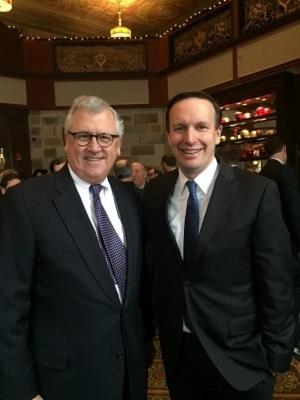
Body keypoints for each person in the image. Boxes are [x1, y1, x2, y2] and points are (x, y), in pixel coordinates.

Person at [143, 91, 295, 400]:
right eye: (180, 128)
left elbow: (276, 278)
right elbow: (157, 268)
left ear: (217, 132)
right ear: (169, 135)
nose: (190, 137)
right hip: (179, 356)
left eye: (201, 126)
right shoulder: (156, 191)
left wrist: (277, 351)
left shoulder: (257, 192)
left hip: (242, 357)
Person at [0, 95, 150, 400]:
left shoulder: (131, 199)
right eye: (83, 136)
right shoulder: (27, 202)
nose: (95, 146)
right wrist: (21, 390)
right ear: (65, 141)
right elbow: (7, 304)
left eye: (105, 137)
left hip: (129, 375)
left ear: (118, 145)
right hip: (61, 383)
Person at [260, 135, 300, 355]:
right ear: (284, 149)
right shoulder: (285, 172)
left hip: (270, 240)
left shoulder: (263, 172)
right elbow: (294, 208)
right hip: (288, 241)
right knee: (293, 291)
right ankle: (292, 339)